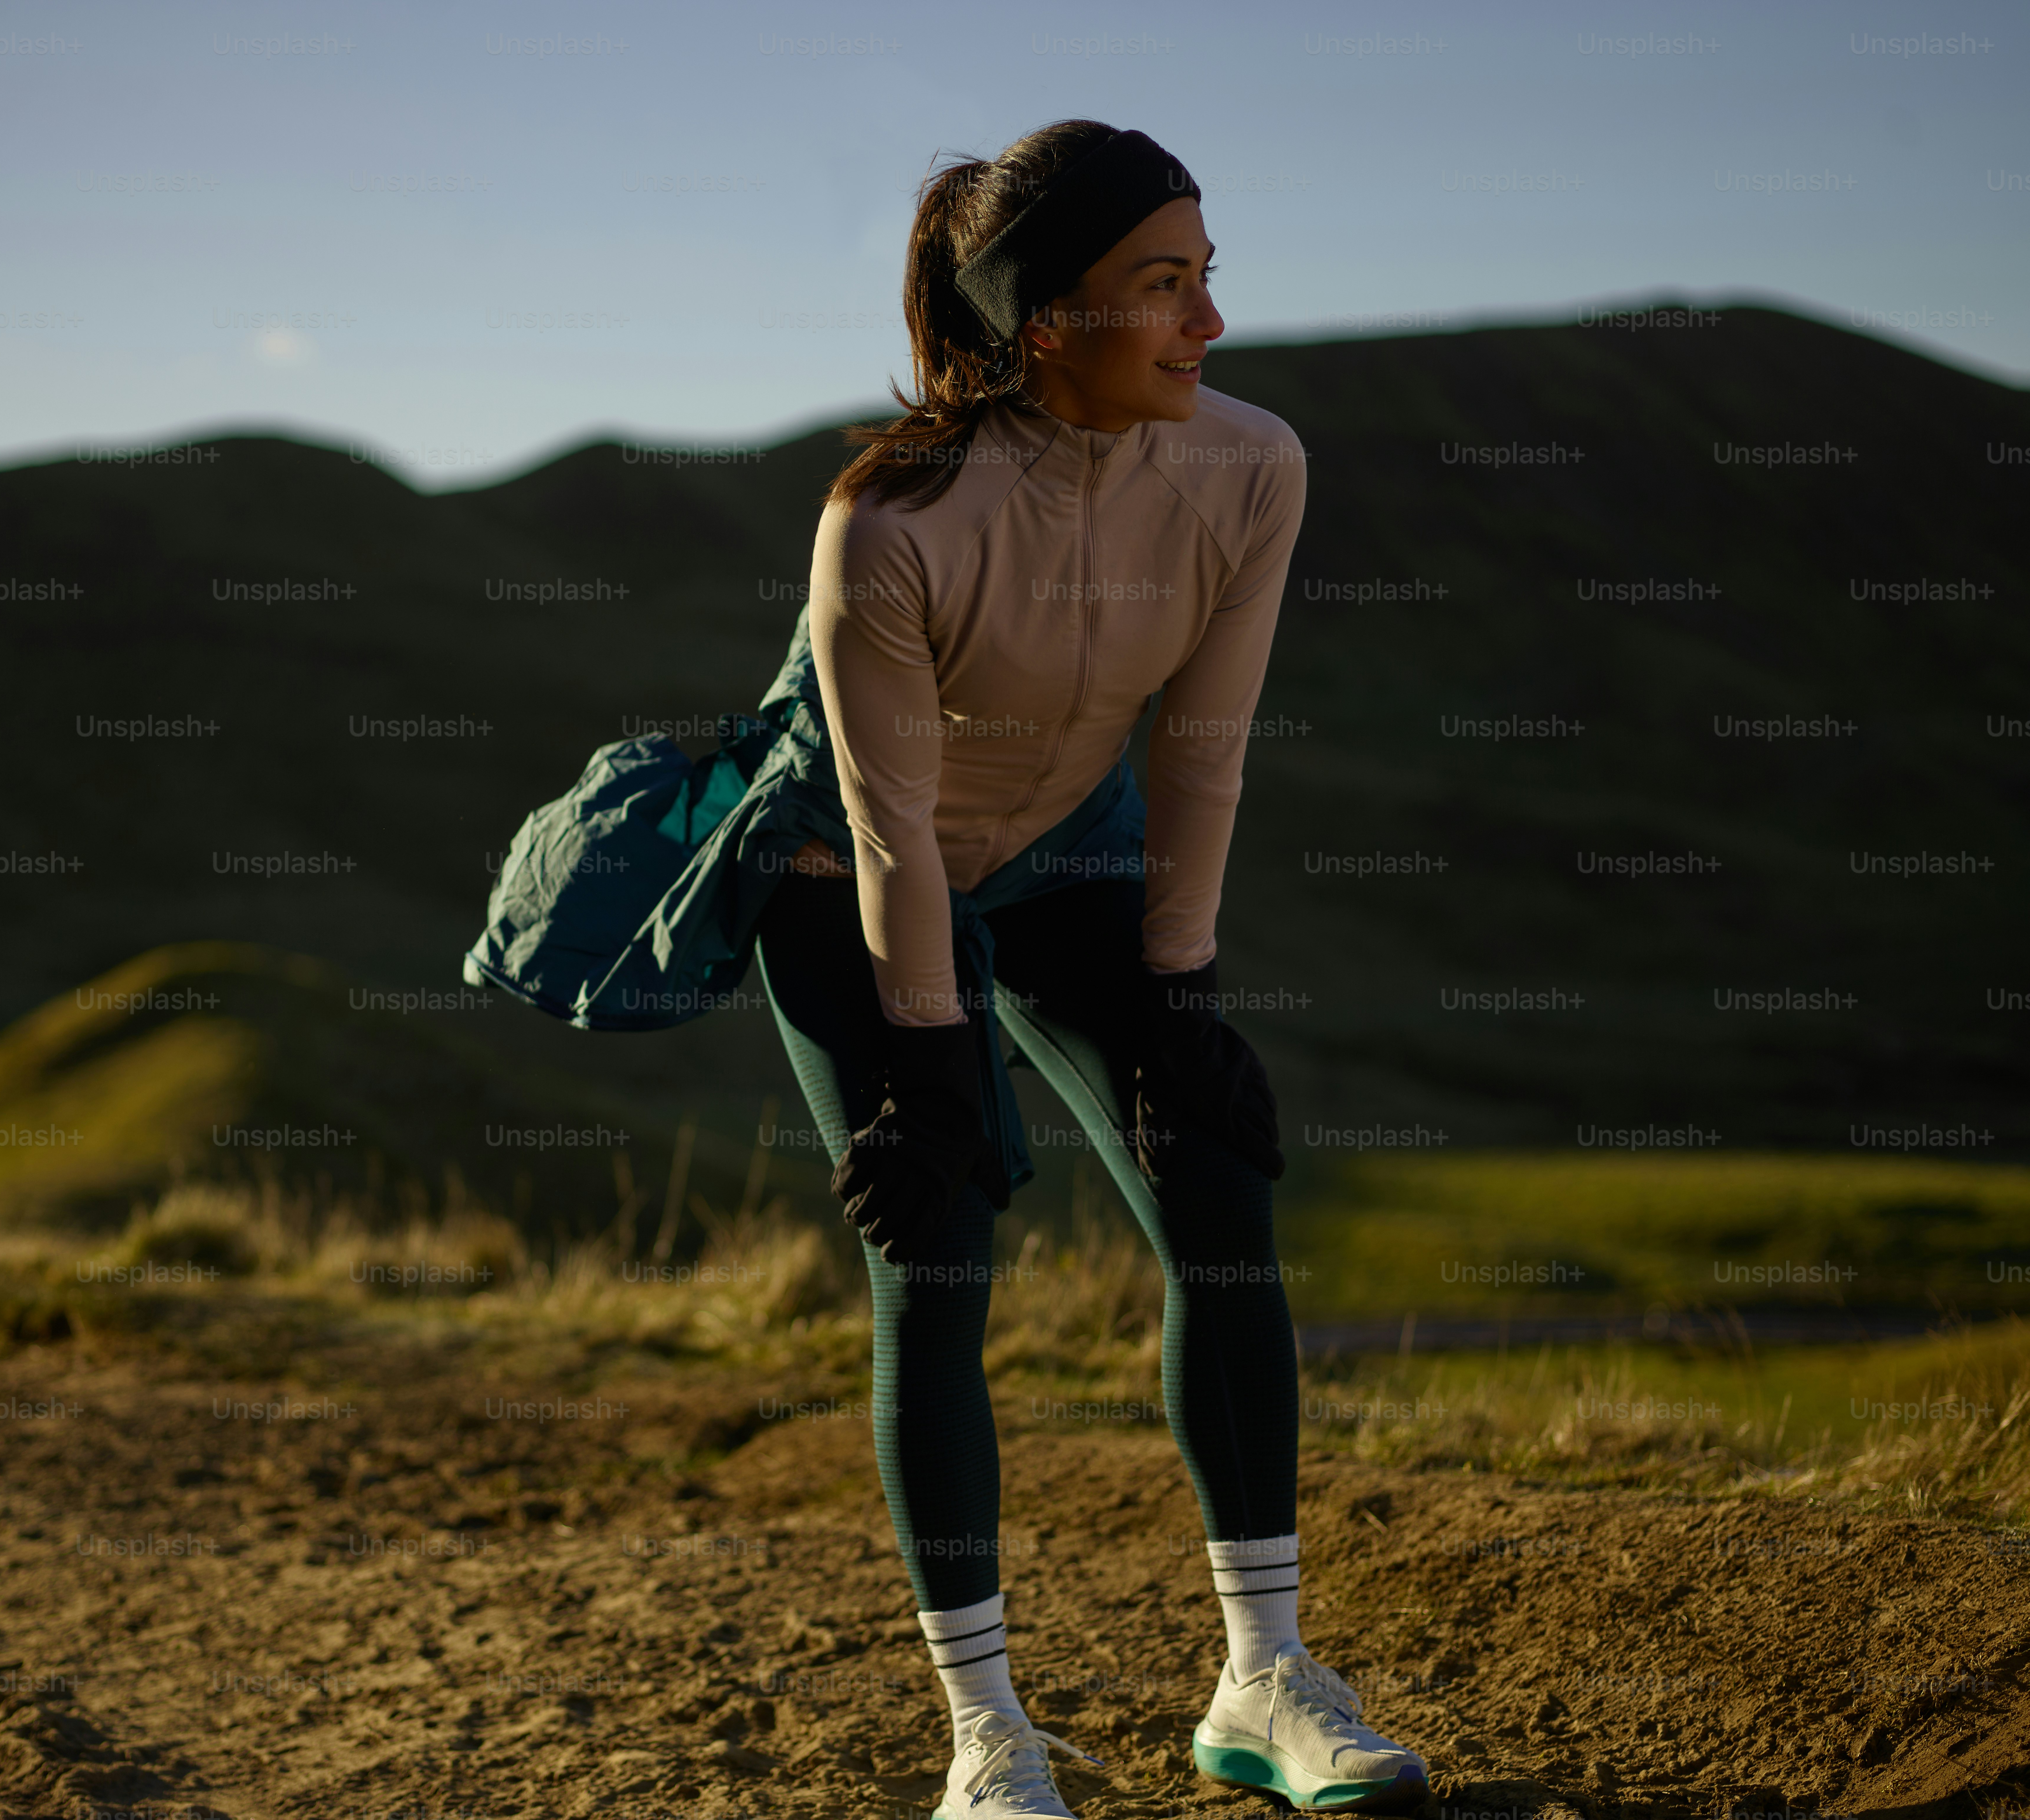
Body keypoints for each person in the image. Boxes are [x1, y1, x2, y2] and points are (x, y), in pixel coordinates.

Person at [745, 120, 1431, 1816]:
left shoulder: (1248, 465)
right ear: (1045, 321)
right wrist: (922, 1058)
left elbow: (1204, 745)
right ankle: (989, 1746)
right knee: (942, 1252)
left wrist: (1177, 988)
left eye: (1206, 276)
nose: (1208, 324)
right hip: (849, 876)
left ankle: (1263, 1680)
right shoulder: (890, 521)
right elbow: (891, 820)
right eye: (1164, 285)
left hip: (1074, 851)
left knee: (1217, 1183)